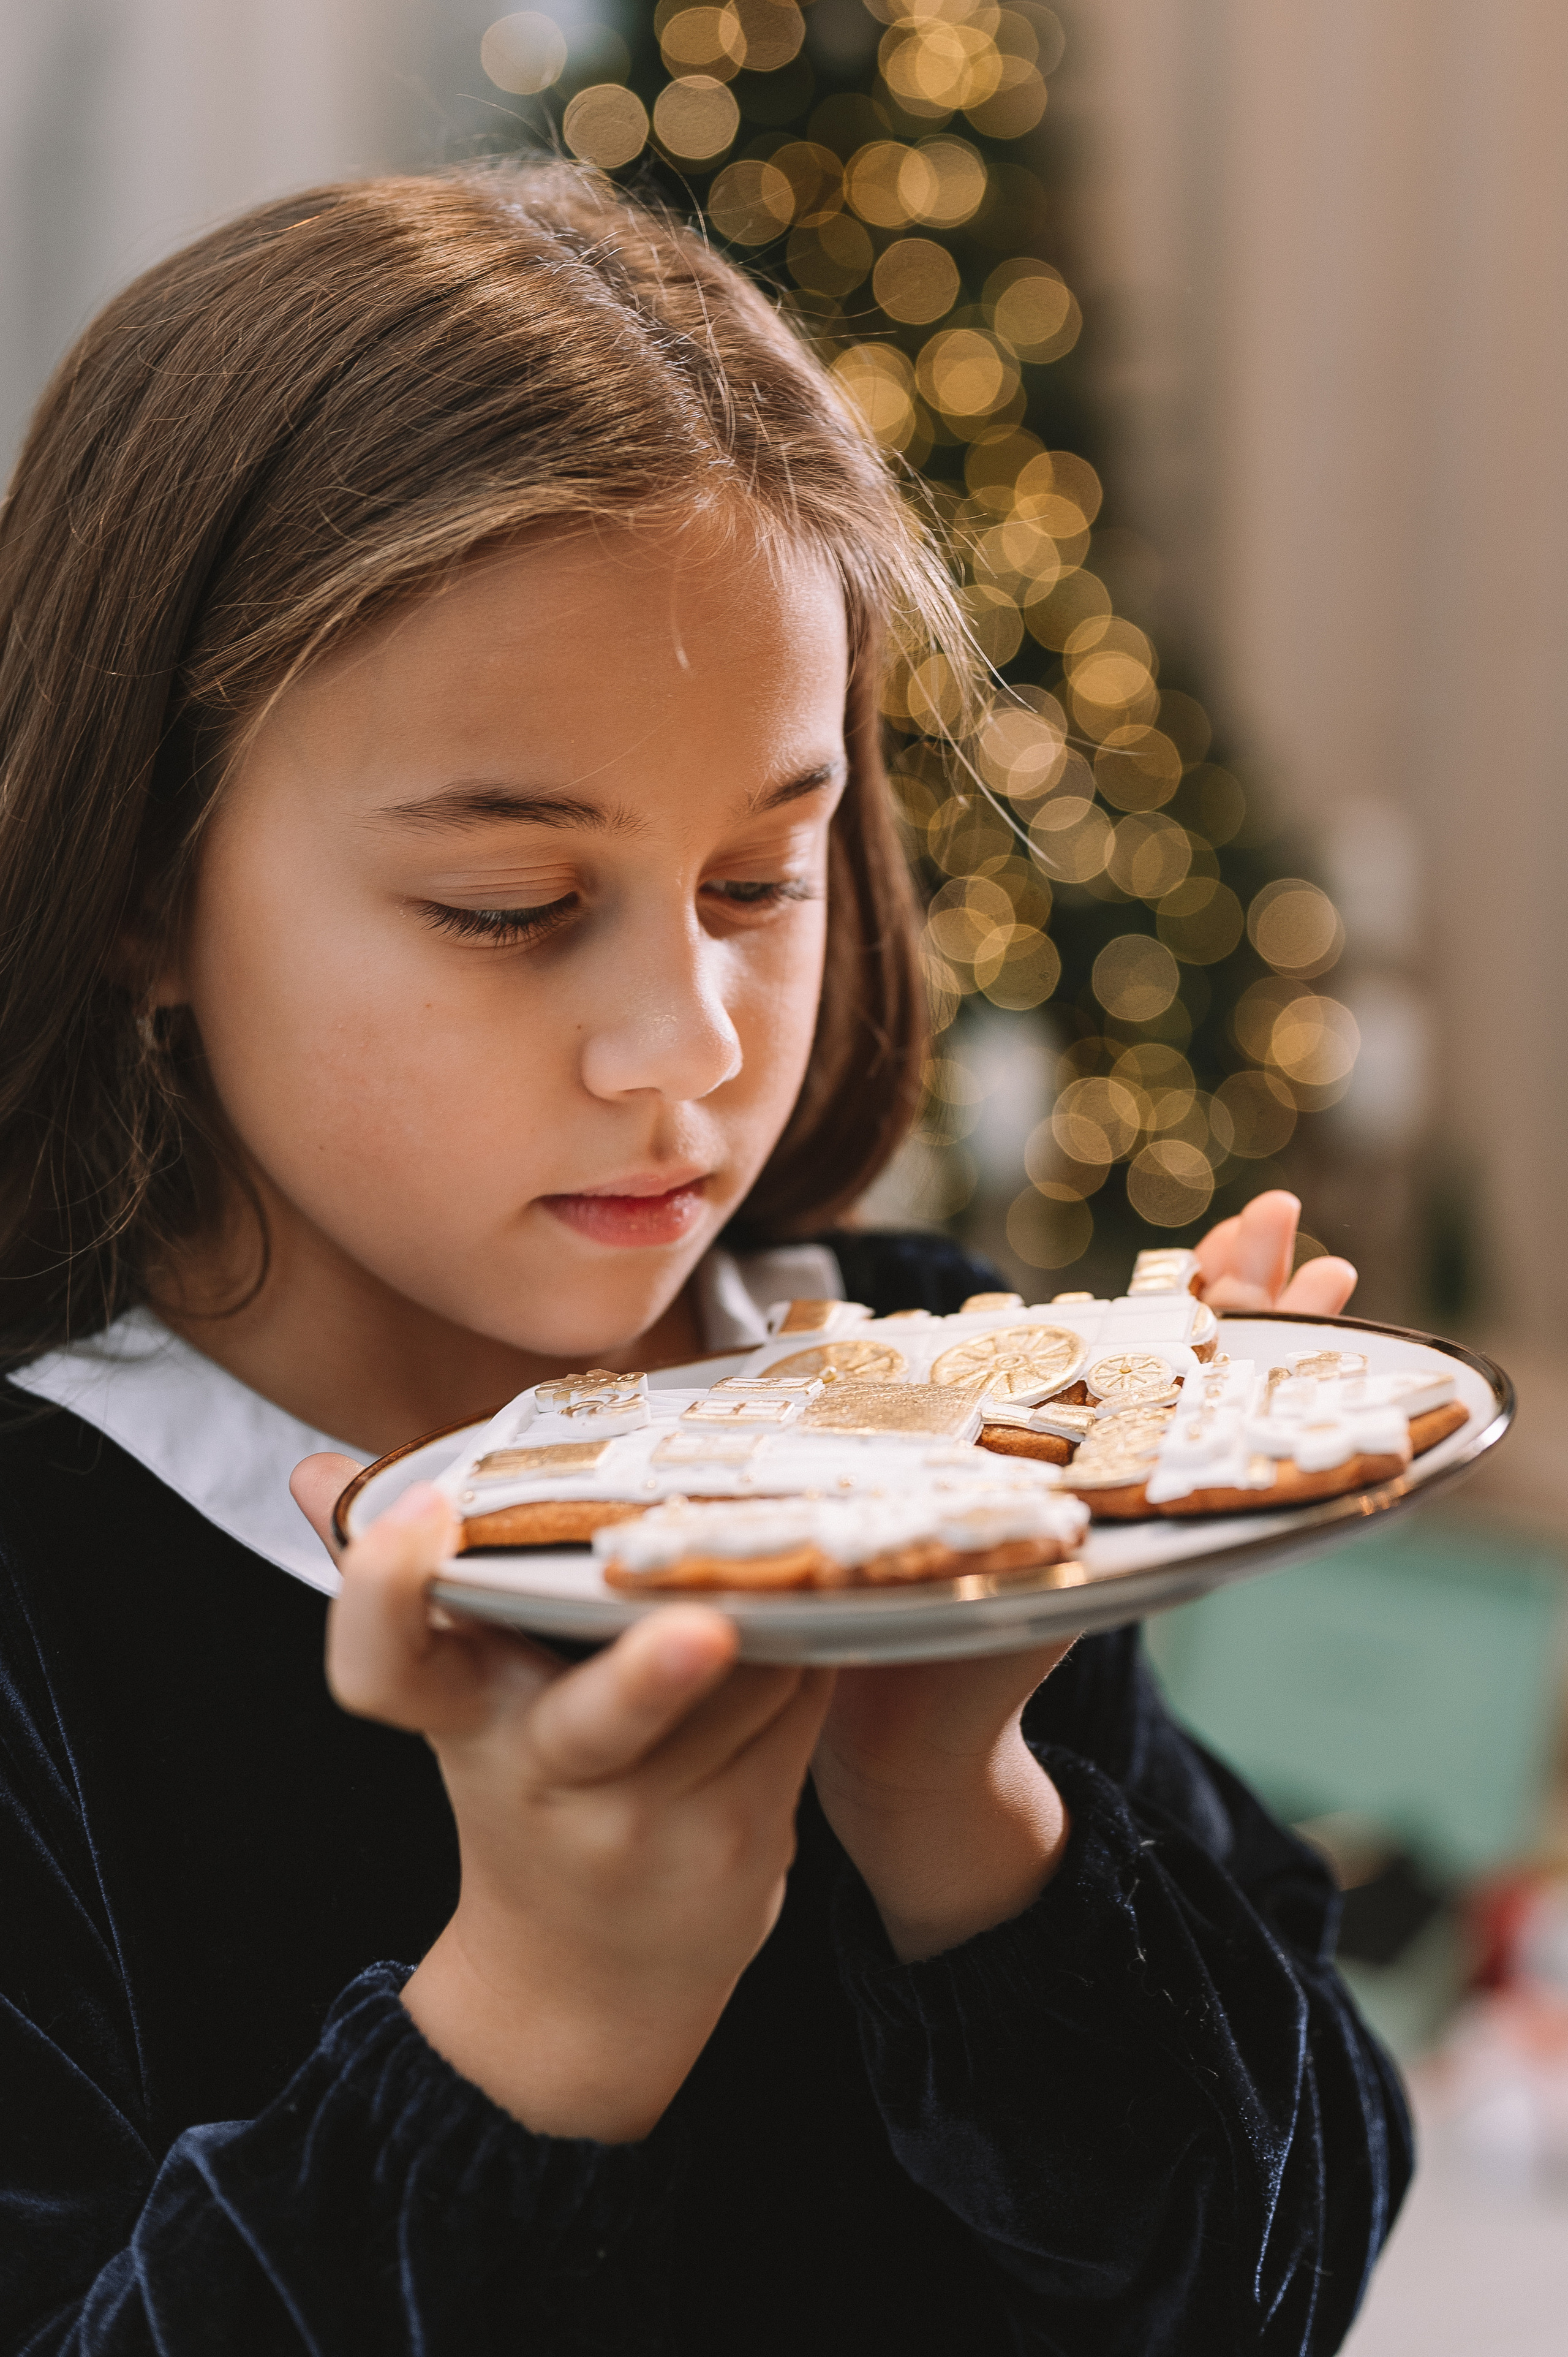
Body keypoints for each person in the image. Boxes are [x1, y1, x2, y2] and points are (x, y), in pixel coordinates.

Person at [0, 165, 1407, 2355]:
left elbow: (1274, 2278)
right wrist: (542, 2018)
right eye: (509, 908)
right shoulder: (51, 1582)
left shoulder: (927, 1393)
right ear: (142, 883)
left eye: (761, 877)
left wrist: (963, 1806)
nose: (692, 1045)